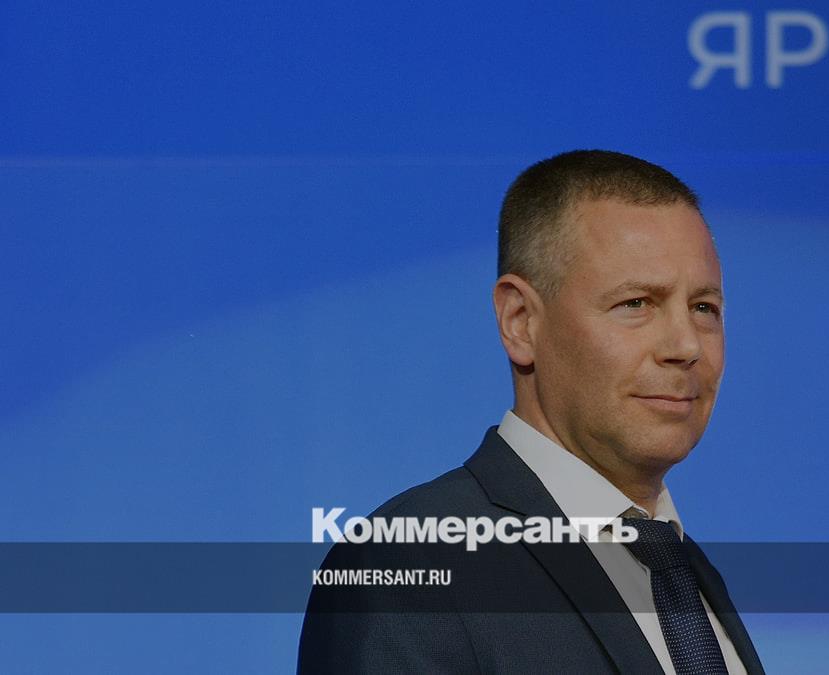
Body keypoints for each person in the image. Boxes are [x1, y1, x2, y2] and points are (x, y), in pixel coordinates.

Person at [299, 150, 764, 674]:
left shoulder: (685, 571)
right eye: (636, 303)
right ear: (520, 321)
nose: (686, 345)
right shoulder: (409, 565)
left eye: (704, 308)